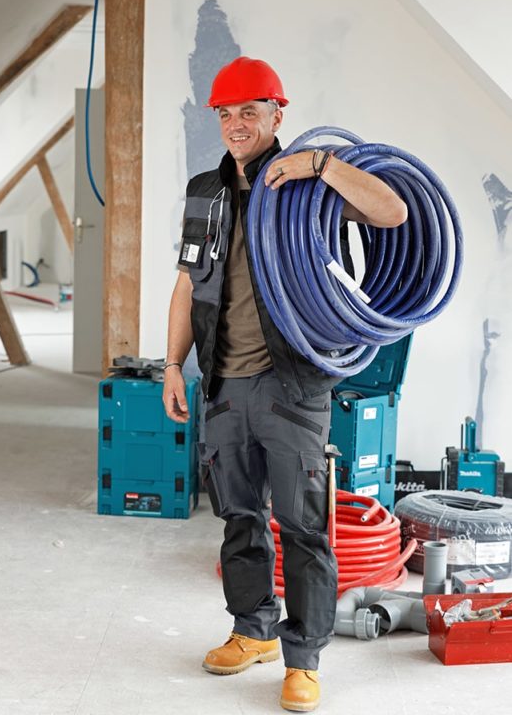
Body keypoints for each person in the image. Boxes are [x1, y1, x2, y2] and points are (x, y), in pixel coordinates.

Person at [163, 56, 407, 712]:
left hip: (293, 387)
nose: (236, 124)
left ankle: (303, 660)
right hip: (223, 384)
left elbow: (393, 215)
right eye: (226, 113)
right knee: (239, 518)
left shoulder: (308, 185)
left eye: (249, 111)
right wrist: (170, 366)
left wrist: (324, 167)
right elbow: (187, 284)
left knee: (302, 527)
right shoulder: (203, 190)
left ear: (277, 115)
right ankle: (253, 631)